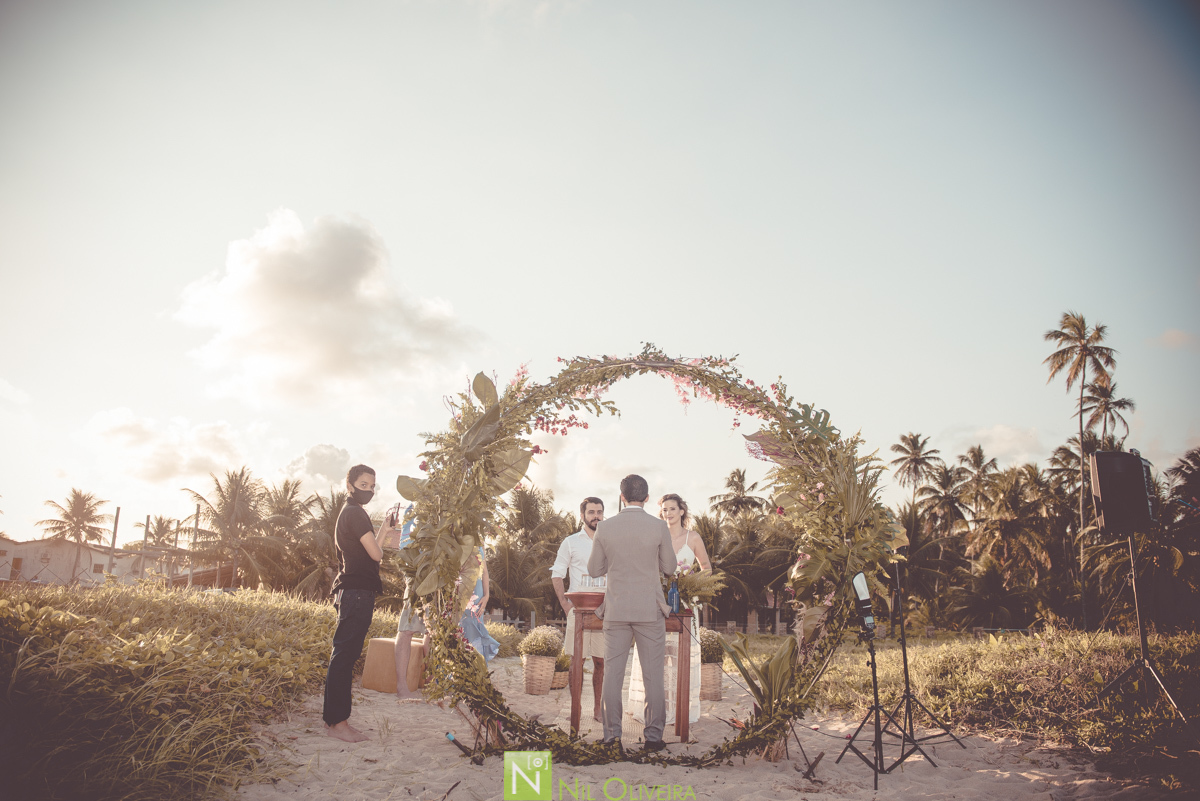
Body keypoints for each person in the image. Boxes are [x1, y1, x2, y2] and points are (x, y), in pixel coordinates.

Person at [587, 474, 676, 751]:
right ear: (647, 498)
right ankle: (653, 738)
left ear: (622, 497)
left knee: (613, 673)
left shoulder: (605, 527)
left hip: (615, 610)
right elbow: (670, 568)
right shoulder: (659, 526)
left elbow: (594, 570)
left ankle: (611, 736)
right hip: (649, 610)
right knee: (653, 676)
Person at [323, 464, 396, 742]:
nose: (369, 490)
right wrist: (384, 536)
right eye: (364, 485)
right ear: (350, 485)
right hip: (355, 593)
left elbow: (369, 551)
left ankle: (335, 721)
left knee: (343, 656)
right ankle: (337, 724)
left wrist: (383, 530)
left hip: (352, 592)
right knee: (343, 658)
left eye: (373, 486)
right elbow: (377, 555)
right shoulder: (356, 513)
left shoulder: (350, 513)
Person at [628, 493, 710, 727]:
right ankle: (652, 709)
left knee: (679, 658)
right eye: (664, 509)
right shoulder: (655, 535)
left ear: (682, 511)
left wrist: (691, 586)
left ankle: (678, 708)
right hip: (654, 604)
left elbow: (706, 569)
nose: (668, 513)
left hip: (683, 607)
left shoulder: (692, 538)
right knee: (656, 657)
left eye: (672, 509)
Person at [551, 497, 607, 722]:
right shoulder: (571, 542)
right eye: (591, 512)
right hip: (579, 610)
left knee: (601, 662)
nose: (596, 516)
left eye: (600, 512)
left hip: (605, 610)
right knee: (578, 661)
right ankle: (576, 709)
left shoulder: (610, 541)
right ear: (582, 515)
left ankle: (596, 711)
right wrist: (565, 606)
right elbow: (557, 574)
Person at [392, 505, 430, 704]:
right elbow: (404, 546)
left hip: (437, 578)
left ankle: (431, 681)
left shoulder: (443, 508)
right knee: (407, 629)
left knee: (433, 632)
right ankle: (402, 686)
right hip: (415, 576)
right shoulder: (413, 509)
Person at [459, 545, 500, 662]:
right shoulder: (455, 532)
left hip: (477, 594)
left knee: (474, 624)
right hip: (460, 588)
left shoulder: (480, 539)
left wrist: (486, 596)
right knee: (461, 626)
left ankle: (475, 671)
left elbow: (485, 572)